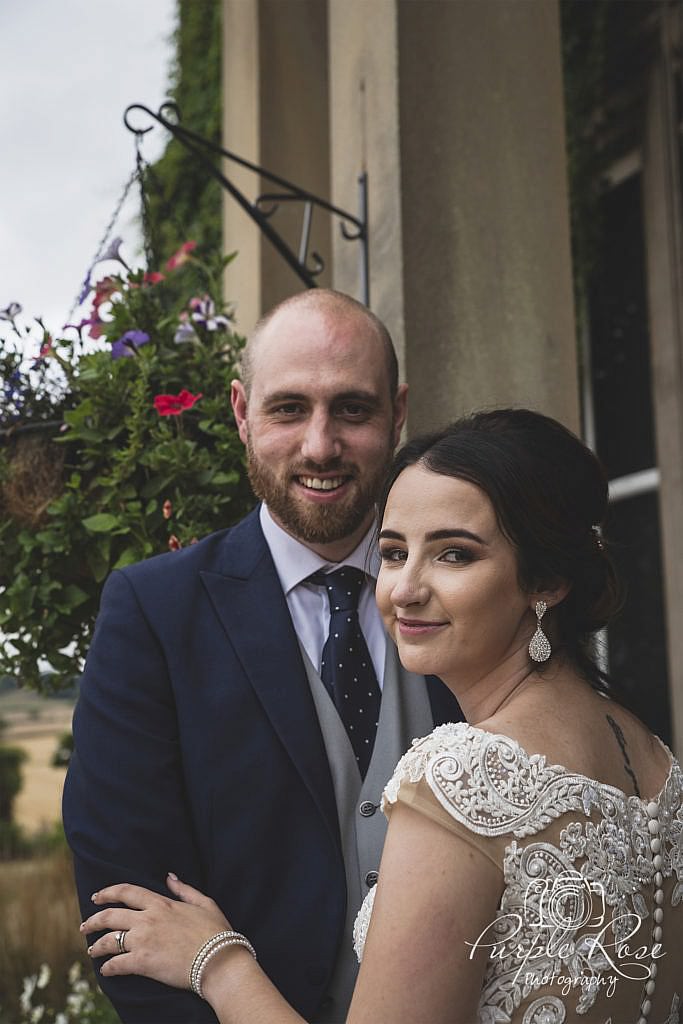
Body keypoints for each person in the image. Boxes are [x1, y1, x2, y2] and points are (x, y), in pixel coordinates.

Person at [80, 408, 683, 1024]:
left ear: (548, 579)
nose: (403, 589)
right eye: (393, 553)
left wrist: (218, 963)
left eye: (454, 555)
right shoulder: (652, 756)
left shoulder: (461, 780)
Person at [63, 288, 461, 1024]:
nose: (318, 445)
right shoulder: (152, 613)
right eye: (287, 410)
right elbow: (125, 912)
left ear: (397, 413)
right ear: (242, 414)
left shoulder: (472, 596)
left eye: (352, 409)